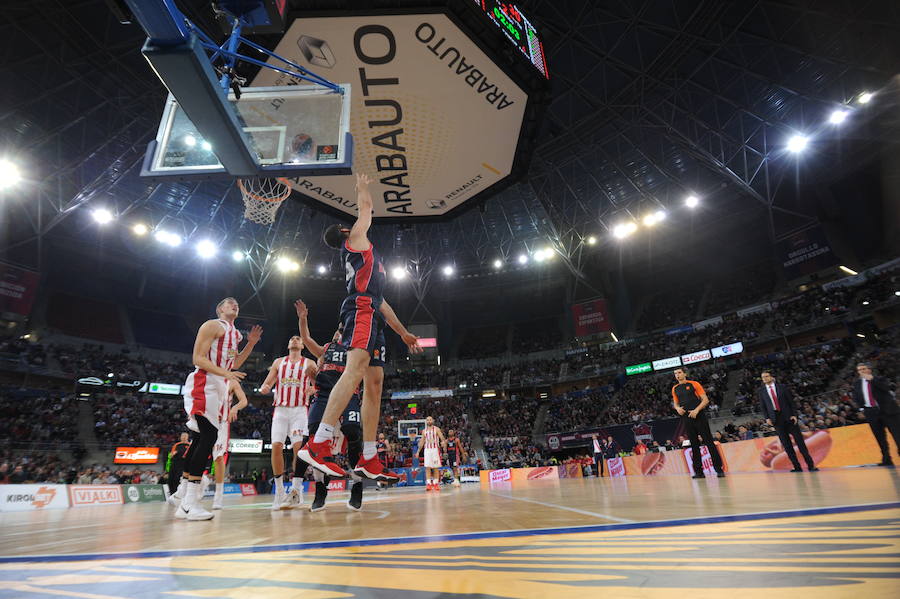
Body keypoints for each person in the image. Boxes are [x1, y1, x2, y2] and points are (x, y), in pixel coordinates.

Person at [299, 173, 423, 480]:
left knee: (375, 383)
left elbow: (381, 301)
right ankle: (319, 443)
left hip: (372, 310)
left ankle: (368, 458)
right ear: (345, 231)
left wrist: (403, 333)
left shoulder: (364, 260)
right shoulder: (355, 240)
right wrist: (362, 187)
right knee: (354, 371)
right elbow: (366, 209)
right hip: (360, 310)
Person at [175, 298, 257, 520]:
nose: (234, 305)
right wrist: (225, 373)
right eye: (229, 303)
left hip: (219, 386)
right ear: (219, 309)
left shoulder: (236, 335)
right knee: (208, 436)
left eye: (236, 304)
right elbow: (198, 358)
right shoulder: (211, 325)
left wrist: (251, 343)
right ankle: (190, 502)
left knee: (202, 438)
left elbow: (235, 363)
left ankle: (184, 502)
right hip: (205, 382)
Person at [259, 336, 317, 510]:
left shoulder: (310, 363)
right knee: (276, 446)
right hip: (281, 410)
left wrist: (312, 389)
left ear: (302, 345)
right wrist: (265, 387)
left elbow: (318, 385)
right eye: (292, 338)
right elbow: (268, 381)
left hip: (299, 410)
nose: (294, 339)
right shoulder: (278, 362)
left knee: (297, 450)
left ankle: (296, 490)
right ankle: (279, 492)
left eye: (298, 339)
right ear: (288, 344)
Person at [757, 371, 818, 472]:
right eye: (763, 377)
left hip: (789, 417)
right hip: (776, 419)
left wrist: (794, 414)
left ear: (772, 377)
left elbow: (791, 402)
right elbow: (763, 406)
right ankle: (796, 466)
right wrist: (767, 418)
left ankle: (811, 465)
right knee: (786, 445)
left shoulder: (782, 387)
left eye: (767, 376)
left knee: (800, 442)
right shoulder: (762, 391)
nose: (765, 378)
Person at [671, 367, 725, 479]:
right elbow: (675, 403)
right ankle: (699, 472)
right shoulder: (675, 388)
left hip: (699, 416)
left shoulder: (694, 384)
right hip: (686, 418)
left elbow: (705, 400)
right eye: (675, 373)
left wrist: (696, 410)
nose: (677, 375)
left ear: (685, 374)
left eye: (679, 372)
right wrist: (677, 408)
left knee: (709, 442)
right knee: (694, 444)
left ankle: (719, 469)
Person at [850, 362, 900, 466]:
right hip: (871, 412)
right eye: (859, 370)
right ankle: (886, 459)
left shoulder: (880, 379)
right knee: (880, 437)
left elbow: (887, 388)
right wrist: (861, 409)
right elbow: (856, 397)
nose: (862, 371)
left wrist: (872, 379)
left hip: (888, 411)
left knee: (897, 434)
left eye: (864, 369)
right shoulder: (857, 383)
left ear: (869, 369)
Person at [211, 380, 248, 509]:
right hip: (206, 420)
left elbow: (244, 401)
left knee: (218, 457)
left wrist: (235, 408)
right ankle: (188, 489)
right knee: (199, 454)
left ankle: (218, 495)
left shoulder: (232, 382)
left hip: (222, 423)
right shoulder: (207, 376)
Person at [416, 416, 446, 491]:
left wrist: (444, 444)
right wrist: (418, 452)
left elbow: (442, 438)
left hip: (435, 449)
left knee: (435, 467)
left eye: (430, 420)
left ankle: (435, 483)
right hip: (427, 450)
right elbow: (422, 442)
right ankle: (429, 484)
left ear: (433, 421)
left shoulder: (436, 429)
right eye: (427, 420)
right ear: (426, 421)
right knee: (427, 467)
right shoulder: (424, 431)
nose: (429, 421)